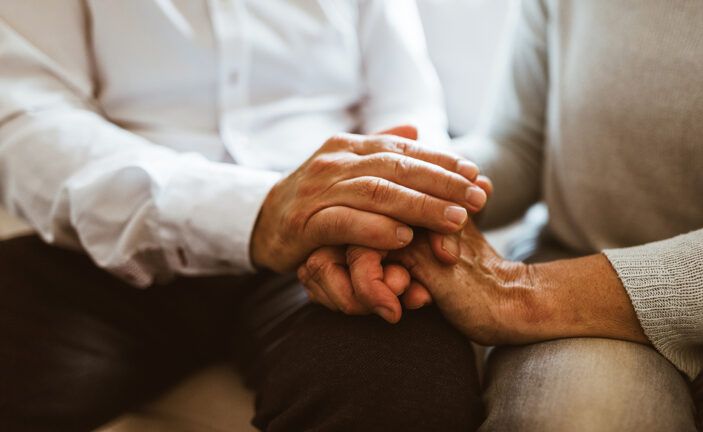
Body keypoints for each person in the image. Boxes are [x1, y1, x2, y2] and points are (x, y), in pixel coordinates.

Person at [0, 1, 490, 431]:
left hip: (326, 246)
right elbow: (27, 120)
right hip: (106, 236)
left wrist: (387, 218)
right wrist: (259, 212)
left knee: (403, 387)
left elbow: (405, 101)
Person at [303, 0, 703, 430]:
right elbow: (520, 145)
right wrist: (399, 204)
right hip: (579, 268)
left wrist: (520, 292)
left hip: (581, 293)